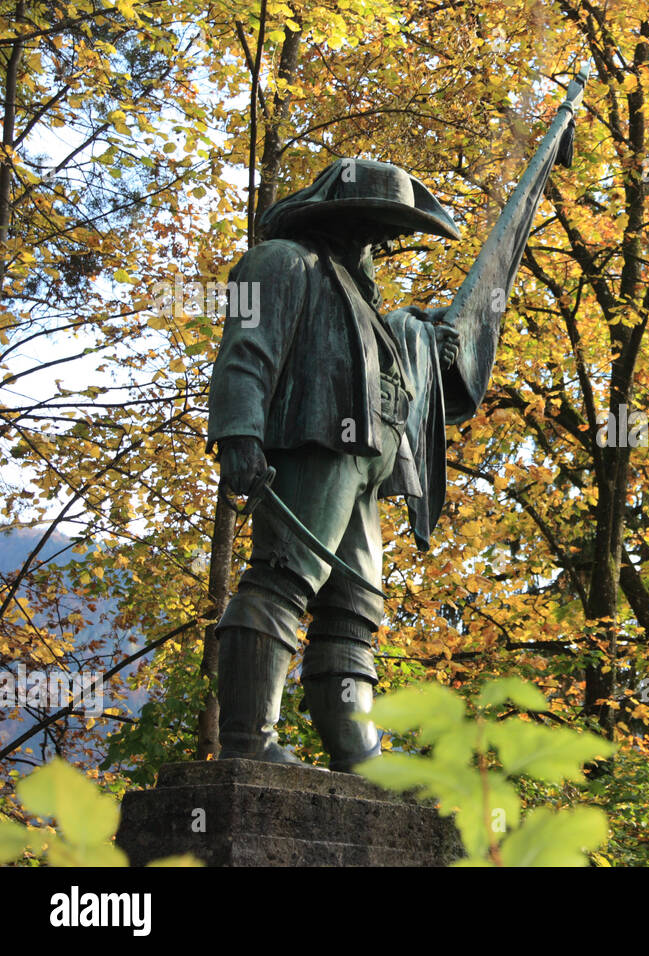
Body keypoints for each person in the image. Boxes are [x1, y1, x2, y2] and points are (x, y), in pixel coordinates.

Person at [207, 158, 464, 772]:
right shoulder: (280, 262)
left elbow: (392, 372)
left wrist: (425, 339)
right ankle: (248, 742)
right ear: (343, 210)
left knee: (353, 611)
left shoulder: (368, 302)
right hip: (313, 446)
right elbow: (246, 350)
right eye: (378, 221)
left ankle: (356, 750)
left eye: (392, 227)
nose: (385, 236)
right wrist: (240, 433)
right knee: (282, 578)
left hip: (368, 466)